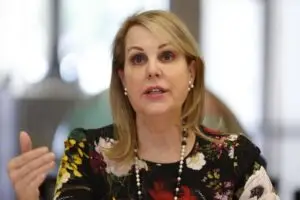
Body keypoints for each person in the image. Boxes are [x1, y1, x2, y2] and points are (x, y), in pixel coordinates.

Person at [7, 10, 279, 200]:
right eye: (138, 59)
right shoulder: (88, 155)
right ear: (123, 78)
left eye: (167, 55)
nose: (152, 70)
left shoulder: (235, 157)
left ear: (191, 73)